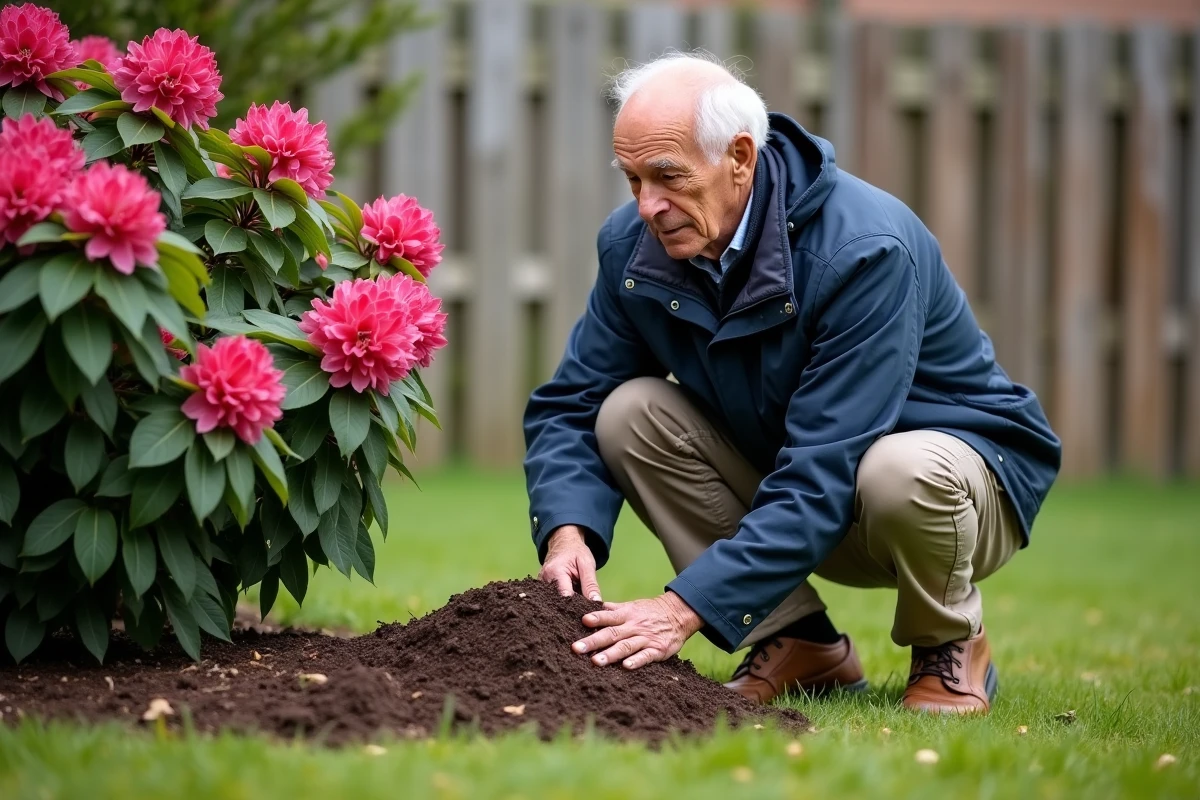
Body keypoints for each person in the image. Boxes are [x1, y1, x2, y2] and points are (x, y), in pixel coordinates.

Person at [522, 53, 1061, 714]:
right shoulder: (635, 248)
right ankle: (799, 641)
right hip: (806, 481)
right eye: (633, 178)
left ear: (740, 158)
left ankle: (949, 641)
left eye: (666, 176)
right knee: (627, 413)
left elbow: (824, 466)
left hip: (956, 491)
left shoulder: (863, 250)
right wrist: (567, 528)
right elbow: (573, 401)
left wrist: (681, 608)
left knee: (901, 467)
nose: (648, 206)